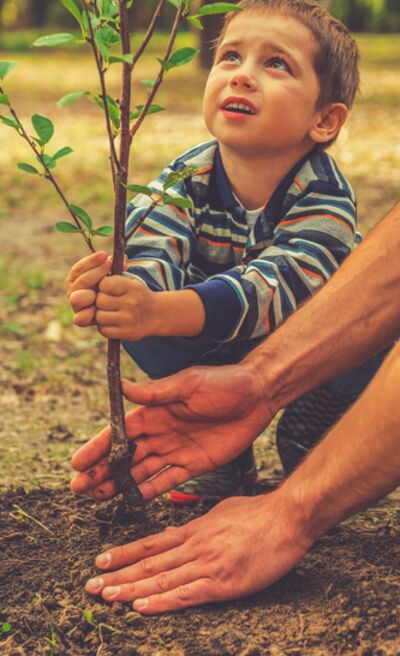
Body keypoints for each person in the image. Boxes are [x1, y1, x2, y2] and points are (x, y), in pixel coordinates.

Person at [66, 0, 372, 504]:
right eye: (230, 56)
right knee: (140, 317)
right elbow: (151, 244)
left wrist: (163, 309)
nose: (242, 75)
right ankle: (221, 445)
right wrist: (121, 292)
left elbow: (275, 289)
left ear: (324, 120)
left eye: (276, 64)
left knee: (375, 329)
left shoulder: (325, 194)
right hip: (216, 339)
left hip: (309, 346)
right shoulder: (187, 175)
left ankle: (322, 420)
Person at [70, 203, 400, 614]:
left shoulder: (319, 193)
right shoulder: (192, 185)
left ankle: (331, 407)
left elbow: (288, 277)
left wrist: (293, 510)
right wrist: (260, 382)